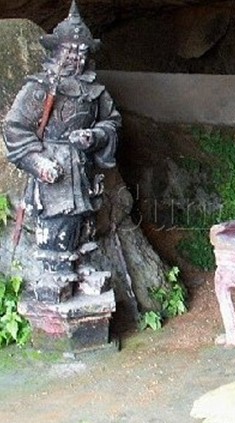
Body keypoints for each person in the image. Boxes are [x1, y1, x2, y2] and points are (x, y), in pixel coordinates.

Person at [3, 1, 121, 304]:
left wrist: (94, 136)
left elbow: (111, 121)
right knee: (57, 219)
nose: (77, 59)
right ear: (56, 51)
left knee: (86, 218)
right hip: (53, 165)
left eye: (82, 53)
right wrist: (38, 162)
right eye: (71, 52)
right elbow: (15, 127)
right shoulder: (39, 88)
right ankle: (56, 274)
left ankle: (82, 267)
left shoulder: (95, 91)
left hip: (83, 166)